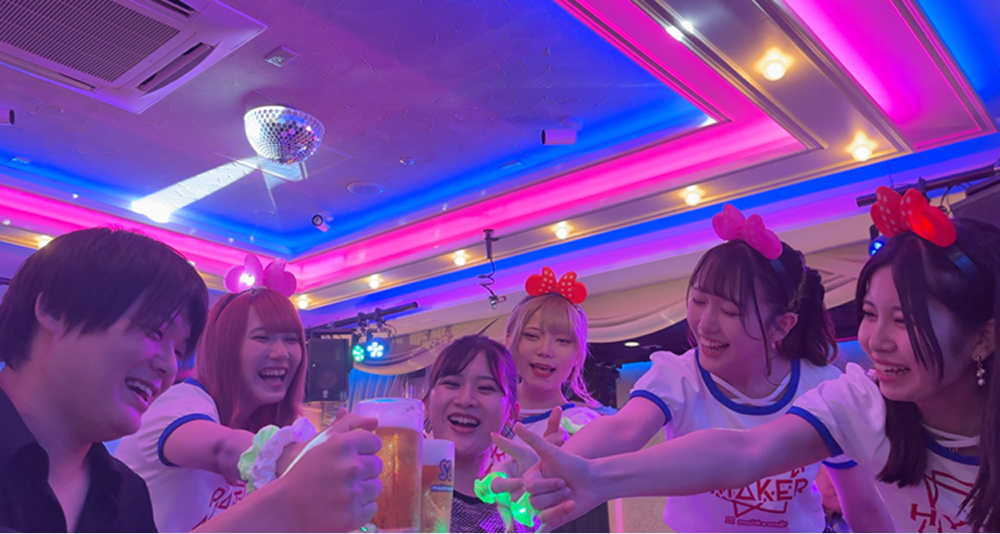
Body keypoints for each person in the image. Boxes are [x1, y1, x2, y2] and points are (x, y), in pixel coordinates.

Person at [503, 193, 1000, 533]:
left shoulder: (822, 384)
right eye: (870, 314)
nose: (876, 341)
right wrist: (583, 473)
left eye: (906, 321)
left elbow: (863, 508)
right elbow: (742, 452)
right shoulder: (858, 402)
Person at [0, 228, 382, 533]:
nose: (168, 365)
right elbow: (223, 449)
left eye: (179, 349)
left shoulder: (124, 493)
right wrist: (293, 475)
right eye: (154, 331)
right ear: (55, 310)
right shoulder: (184, 402)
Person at [115, 288, 310, 531]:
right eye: (262, 338)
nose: (281, 353)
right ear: (225, 347)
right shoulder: (180, 402)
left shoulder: (253, 424)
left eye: (291, 339)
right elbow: (223, 449)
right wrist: (299, 459)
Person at [425, 334, 537, 533]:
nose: (465, 400)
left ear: (511, 413)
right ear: (427, 402)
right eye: (452, 383)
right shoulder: (391, 493)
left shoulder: (520, 516)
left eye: (485, 388)